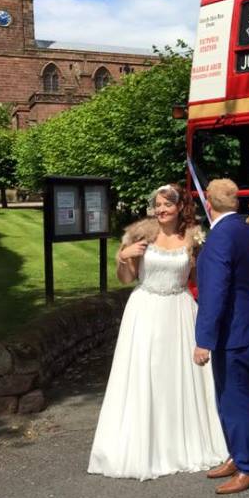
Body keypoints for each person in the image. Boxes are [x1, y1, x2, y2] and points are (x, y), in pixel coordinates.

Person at [88, 184, 227, 481]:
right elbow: (126, 278)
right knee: (144, 374)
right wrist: (123, 255)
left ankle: (182, 442)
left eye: (167, 204)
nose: (161, 210)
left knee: (177, 376)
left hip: (179, 312)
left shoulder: (192, 238)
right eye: (157, 205)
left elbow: (196, 280)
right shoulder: (141, 236)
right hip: (145, 311)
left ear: (179, 208)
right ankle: (143, 445)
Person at [195, 178, 249, 494]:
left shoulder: (220, 236)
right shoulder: (247, 232)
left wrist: (203, 340)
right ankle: (238, 456)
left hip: (231, 331)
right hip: (245, 325)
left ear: (208, 203)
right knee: (230, 398)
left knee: (235, 400)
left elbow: (214, 292)